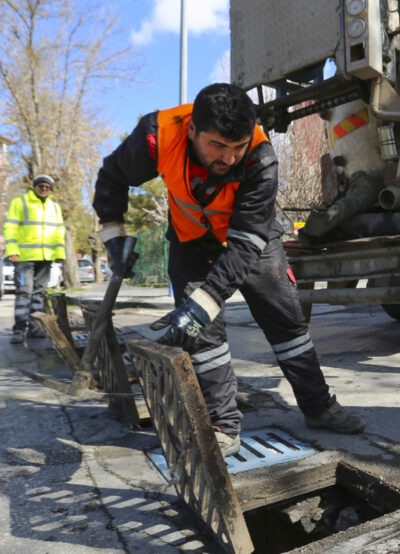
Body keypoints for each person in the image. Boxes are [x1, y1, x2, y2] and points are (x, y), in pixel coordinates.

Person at [93, 83, 366, 456]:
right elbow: (111, 177)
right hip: (191, 240)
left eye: (237, 147)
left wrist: (201, 303)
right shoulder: (157, 136)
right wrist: (113, 235)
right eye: (217, 146)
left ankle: (319, 407)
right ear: (192, 131)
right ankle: (224, 425)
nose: (229, 158)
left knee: (287, 324)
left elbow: (245, 246)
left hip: (251, 242)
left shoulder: (261, 157)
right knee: (202, 338)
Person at [4, 174, 66, 344]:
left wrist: (60, 254)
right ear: (34, 187)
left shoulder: (55, 207)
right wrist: (12, 250)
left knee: (39, 294)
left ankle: (35, 328)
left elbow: (59, 232)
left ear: (51, 189)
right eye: (41, 186)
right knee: (24, 292)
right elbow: (10, 227)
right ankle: (19, 329)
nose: (44, 189)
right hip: (24, 258)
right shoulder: (20, 202)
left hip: (45, 258)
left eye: (47, 187)